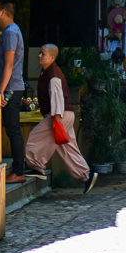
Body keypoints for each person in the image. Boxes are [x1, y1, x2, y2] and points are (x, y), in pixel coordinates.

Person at [24, 44, 98, 194]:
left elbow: (57, 100)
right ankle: (87, 175)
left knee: (35, 137)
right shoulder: (49, 73)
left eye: (43, 54)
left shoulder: (53, 76)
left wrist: (56, 120)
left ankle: (36, 166)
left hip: (59, 115)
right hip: (65, 115)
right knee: (67, 149)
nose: (39, 56)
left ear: (52, 57)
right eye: (40, 53)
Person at [0, 0, 27, 184]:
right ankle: (18, 168)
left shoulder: (10, 33)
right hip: (12, 86)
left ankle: (19, 170)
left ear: (3, 12)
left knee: (13, 129)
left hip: (11, 88)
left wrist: (1, 91)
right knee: (11, 129)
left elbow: (9, 64)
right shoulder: (11, 31)